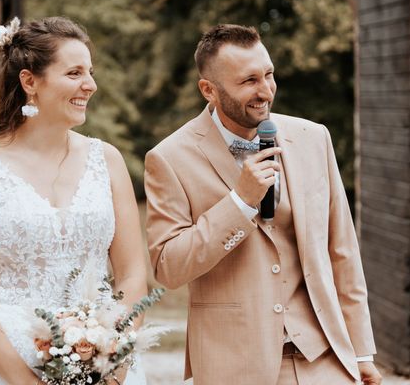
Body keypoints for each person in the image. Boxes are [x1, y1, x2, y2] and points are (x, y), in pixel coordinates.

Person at [144, 24, 382, 385]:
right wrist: (239, 202)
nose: (265, 91)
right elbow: (168, 267)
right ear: (208, 90)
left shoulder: (313, 138)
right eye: (248, 81)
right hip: (234, 363)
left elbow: (342, 252)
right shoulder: (169, 158)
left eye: (268, 75)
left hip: (324, 357)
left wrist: (361, 350)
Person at [0, 17, 148, 385]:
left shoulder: (107, 160)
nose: (91, 85)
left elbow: (131, 275)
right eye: (74, 73)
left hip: (98, 366)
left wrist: (113, 367)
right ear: (30, 82)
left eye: (90, 72)